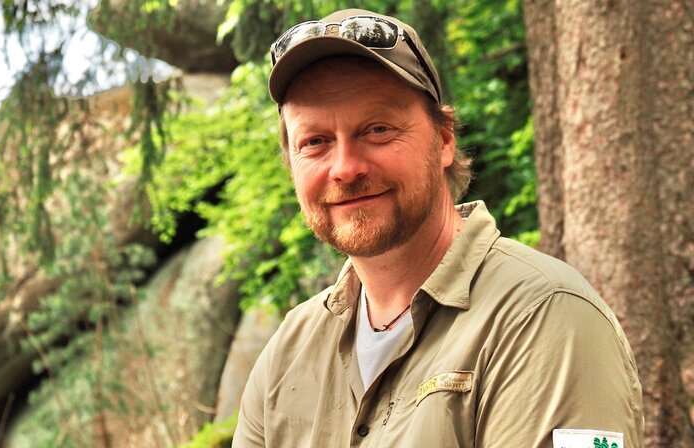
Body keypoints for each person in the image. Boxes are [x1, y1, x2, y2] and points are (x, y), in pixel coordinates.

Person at [233, 8, 644, 447]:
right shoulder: (288, 353)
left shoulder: (545, 319)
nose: (346, 168)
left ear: (444, 139)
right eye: (315, 142)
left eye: (377, 129)